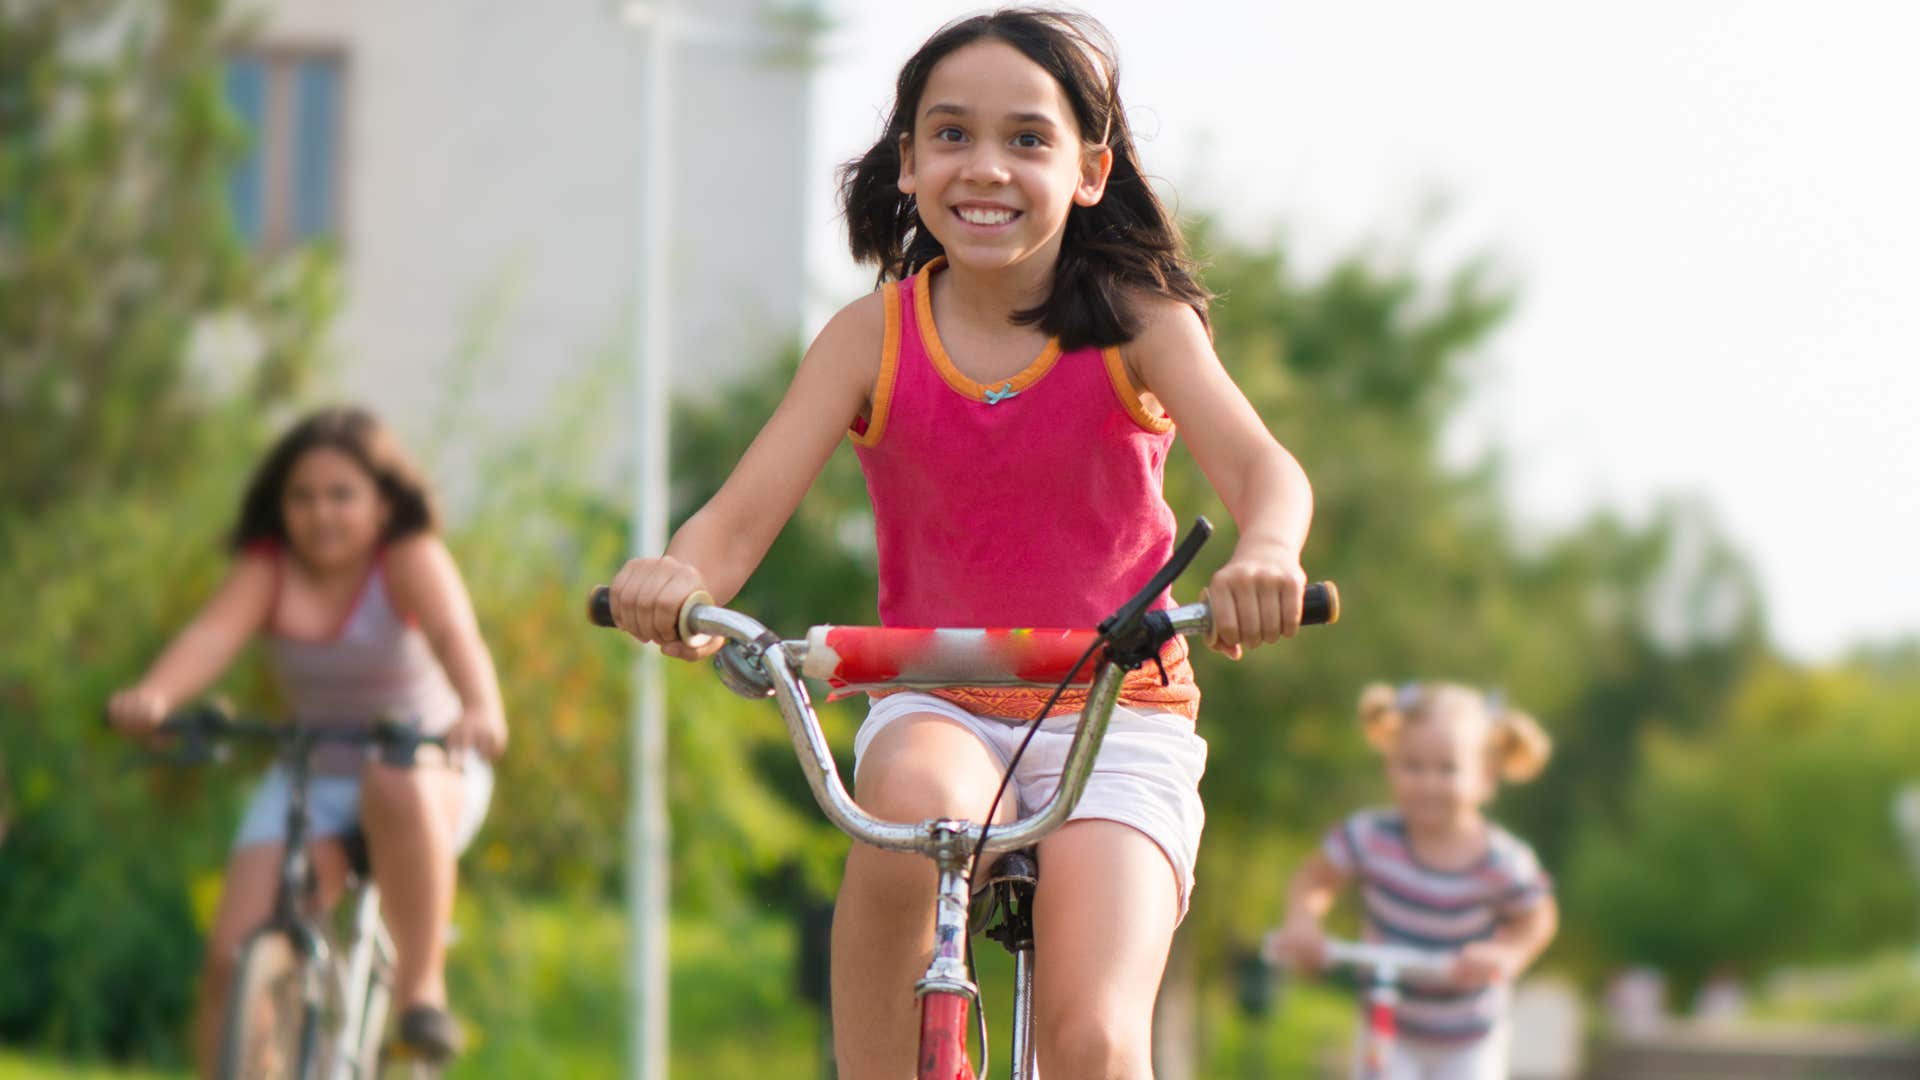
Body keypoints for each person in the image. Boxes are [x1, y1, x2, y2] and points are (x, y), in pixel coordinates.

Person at [605, 8, 1314, 1076]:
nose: (986, 167)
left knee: (1094, 1040)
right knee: (910, 819)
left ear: (1089, 169)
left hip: (1118, 709)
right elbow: (735, 524)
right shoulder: (868, 336)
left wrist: (1267, 553)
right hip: (936, 693)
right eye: (951, 134)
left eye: (1027, 139)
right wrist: (679, 578)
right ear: (908, 163)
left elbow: (1268, 473)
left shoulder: (1139, 322)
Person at [107, 406, 504, 1073]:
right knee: (233, 957)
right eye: (303, 497)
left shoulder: (407, 557)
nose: (321, 513)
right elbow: (209, 639)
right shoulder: (268, 569)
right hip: (313, 776)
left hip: (424, 767)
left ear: (382, 504)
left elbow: (455, 635)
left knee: (393, 775)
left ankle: (419, 994)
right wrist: (156, 696)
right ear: (281, 506)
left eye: (341, 494)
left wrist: (482, 707)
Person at [1268, 682, 1558, 1079]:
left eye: (1447, 768)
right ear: (1390, 765)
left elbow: (1538, 917)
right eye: (1412, 765)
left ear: (1485, 776)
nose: (1428, 782)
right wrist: (1303, 921)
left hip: (1468, 1037)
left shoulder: (1501, 860)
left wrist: (1507, 954)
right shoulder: (1371, 837)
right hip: (1388, 1027)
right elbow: (1315, 879)